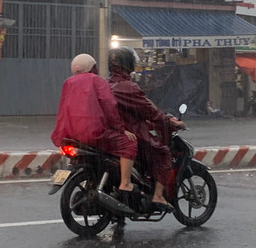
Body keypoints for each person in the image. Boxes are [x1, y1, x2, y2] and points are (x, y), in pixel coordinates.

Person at [51, 53, 136, 202]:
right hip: (93, 134)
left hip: (70, 135)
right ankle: (125, 183)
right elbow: (109, 106)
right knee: (129, 143)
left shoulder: (68, 82)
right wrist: (121, 129)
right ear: (93, 68)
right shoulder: (97, 81)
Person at [106, 47, 184, 208]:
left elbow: (130, 113)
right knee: (163, 154)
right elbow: (151, 112)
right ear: (129, 64)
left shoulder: (106, 85)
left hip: (113, 133)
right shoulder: (129, 87)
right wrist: (170, 122)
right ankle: (157, 195)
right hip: (133, 134)